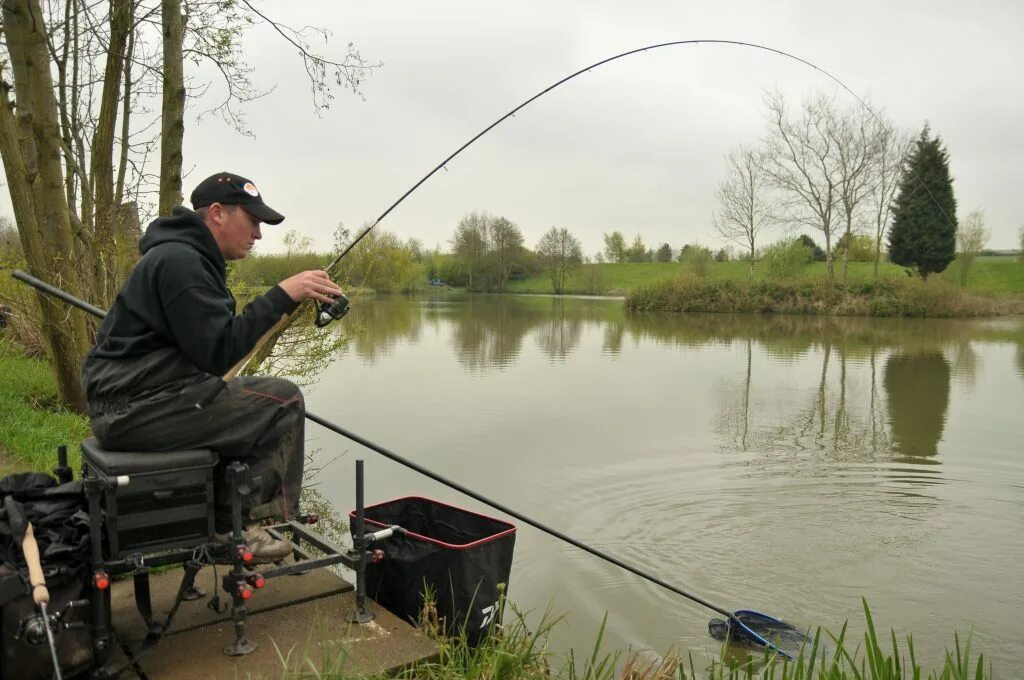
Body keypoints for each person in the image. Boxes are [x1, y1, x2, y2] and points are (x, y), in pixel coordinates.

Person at [81, 172, 343, 560]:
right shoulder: (181, 261)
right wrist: (282, 294)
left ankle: (229, 519)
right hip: (134, 409)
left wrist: (285, 301)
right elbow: (220, 352)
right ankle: (249, 526)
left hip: (134, 403)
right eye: (252, 221)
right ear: (217, 213)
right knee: (283, 401)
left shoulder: (184, 256)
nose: (258, 234)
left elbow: (213, 348)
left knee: (252, 398)